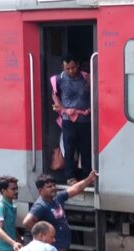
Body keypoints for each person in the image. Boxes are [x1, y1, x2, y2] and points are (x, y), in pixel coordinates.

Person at [22, 172, 98, 251]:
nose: (53, 188)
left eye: (54, 185)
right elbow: (27, 222)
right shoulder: (40, 205)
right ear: (40, 190)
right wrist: (44, 239)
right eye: (49, 187)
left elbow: (75, 189)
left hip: (62, 249)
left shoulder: (58, 198)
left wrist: (89, 179)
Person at [52, 55, 92, 185]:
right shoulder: (58, 80)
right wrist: (62, 108)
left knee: (86, 149)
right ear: (63, 67)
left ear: (78, 65)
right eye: (67, 68)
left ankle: (87, 176)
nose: (70, 71)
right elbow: (55, 97)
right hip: (68, 120)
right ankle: (70, 177)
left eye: (73, 67)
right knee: (69, 149)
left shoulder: (87, 78)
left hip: (85, 119)